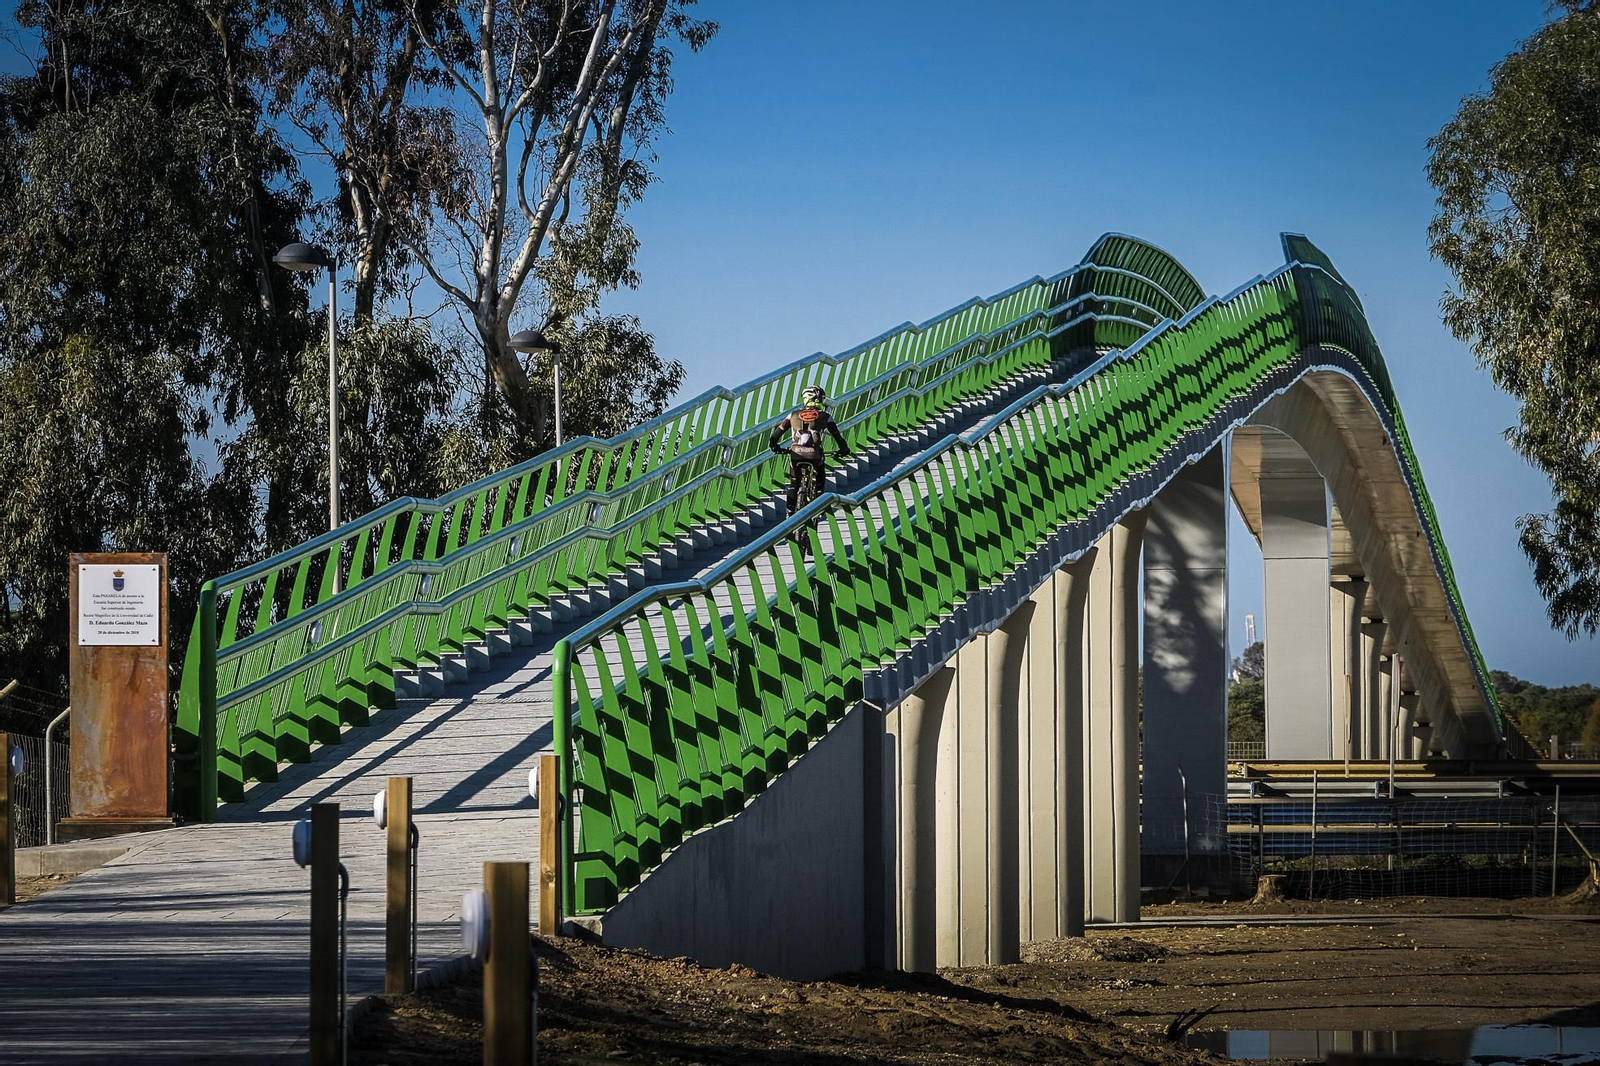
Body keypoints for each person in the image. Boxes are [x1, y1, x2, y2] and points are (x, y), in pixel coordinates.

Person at [768, 384, 850, 516]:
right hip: (814, 454)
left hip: (796, 454)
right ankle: (819, 502)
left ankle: (790, 511)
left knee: (794, 483)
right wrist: (844, 449)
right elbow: (837, 436)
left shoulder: (792, 415)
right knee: (820, 474)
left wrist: (774, 446)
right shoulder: (825, 416)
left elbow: (775, 436)